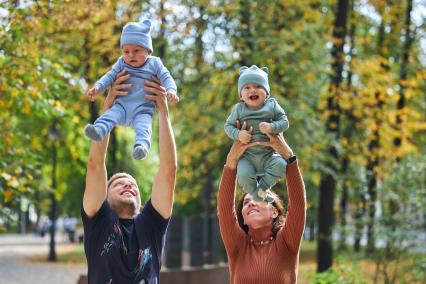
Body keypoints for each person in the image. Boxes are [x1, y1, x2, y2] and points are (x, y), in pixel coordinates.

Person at [81, 71, 177, 284]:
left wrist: (163, 112)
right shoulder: (99, 220)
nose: (128, 184)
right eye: (118, 183)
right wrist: (108, 110)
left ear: (141, 203)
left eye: (133, 185)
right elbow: (95, 165)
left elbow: (169, 171)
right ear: (104, 197)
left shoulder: (152, 224)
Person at [217, 122, 306, 284]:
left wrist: (288, 157)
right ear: (242, 217)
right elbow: (224, 209)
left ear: (274, 212)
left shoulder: (287, 242)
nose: (250, 203)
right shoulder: (237, 245)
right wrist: (231, 161)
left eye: (259, 198)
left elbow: (298, 205)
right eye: (245, 202)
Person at [84, 19, 179, 160]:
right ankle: (99, 130)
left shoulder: (155, 63)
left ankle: (141, 147)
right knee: (108, 117)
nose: (131, 55)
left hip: (142, 109)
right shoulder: (121, 63)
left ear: (148, 50)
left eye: (137, 50)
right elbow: (109, 76)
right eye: (126, 51)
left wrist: (171, 90)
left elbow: (166, 77)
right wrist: (98, 87)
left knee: (144, 126)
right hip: (121, 106)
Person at [224, 65, 289, 202]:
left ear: (267, 92)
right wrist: (238, 134)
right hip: (247, 156)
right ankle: (254, 194)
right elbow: (228, 126)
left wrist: (272, 127)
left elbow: (284, 122)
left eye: (258, 86)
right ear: (241, 95)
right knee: (243, 175)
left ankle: (263, 188)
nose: (253, 90)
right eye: (247, 87)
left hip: (269, 155)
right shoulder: (239, 109)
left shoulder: (272, 105)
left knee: (281, 164)